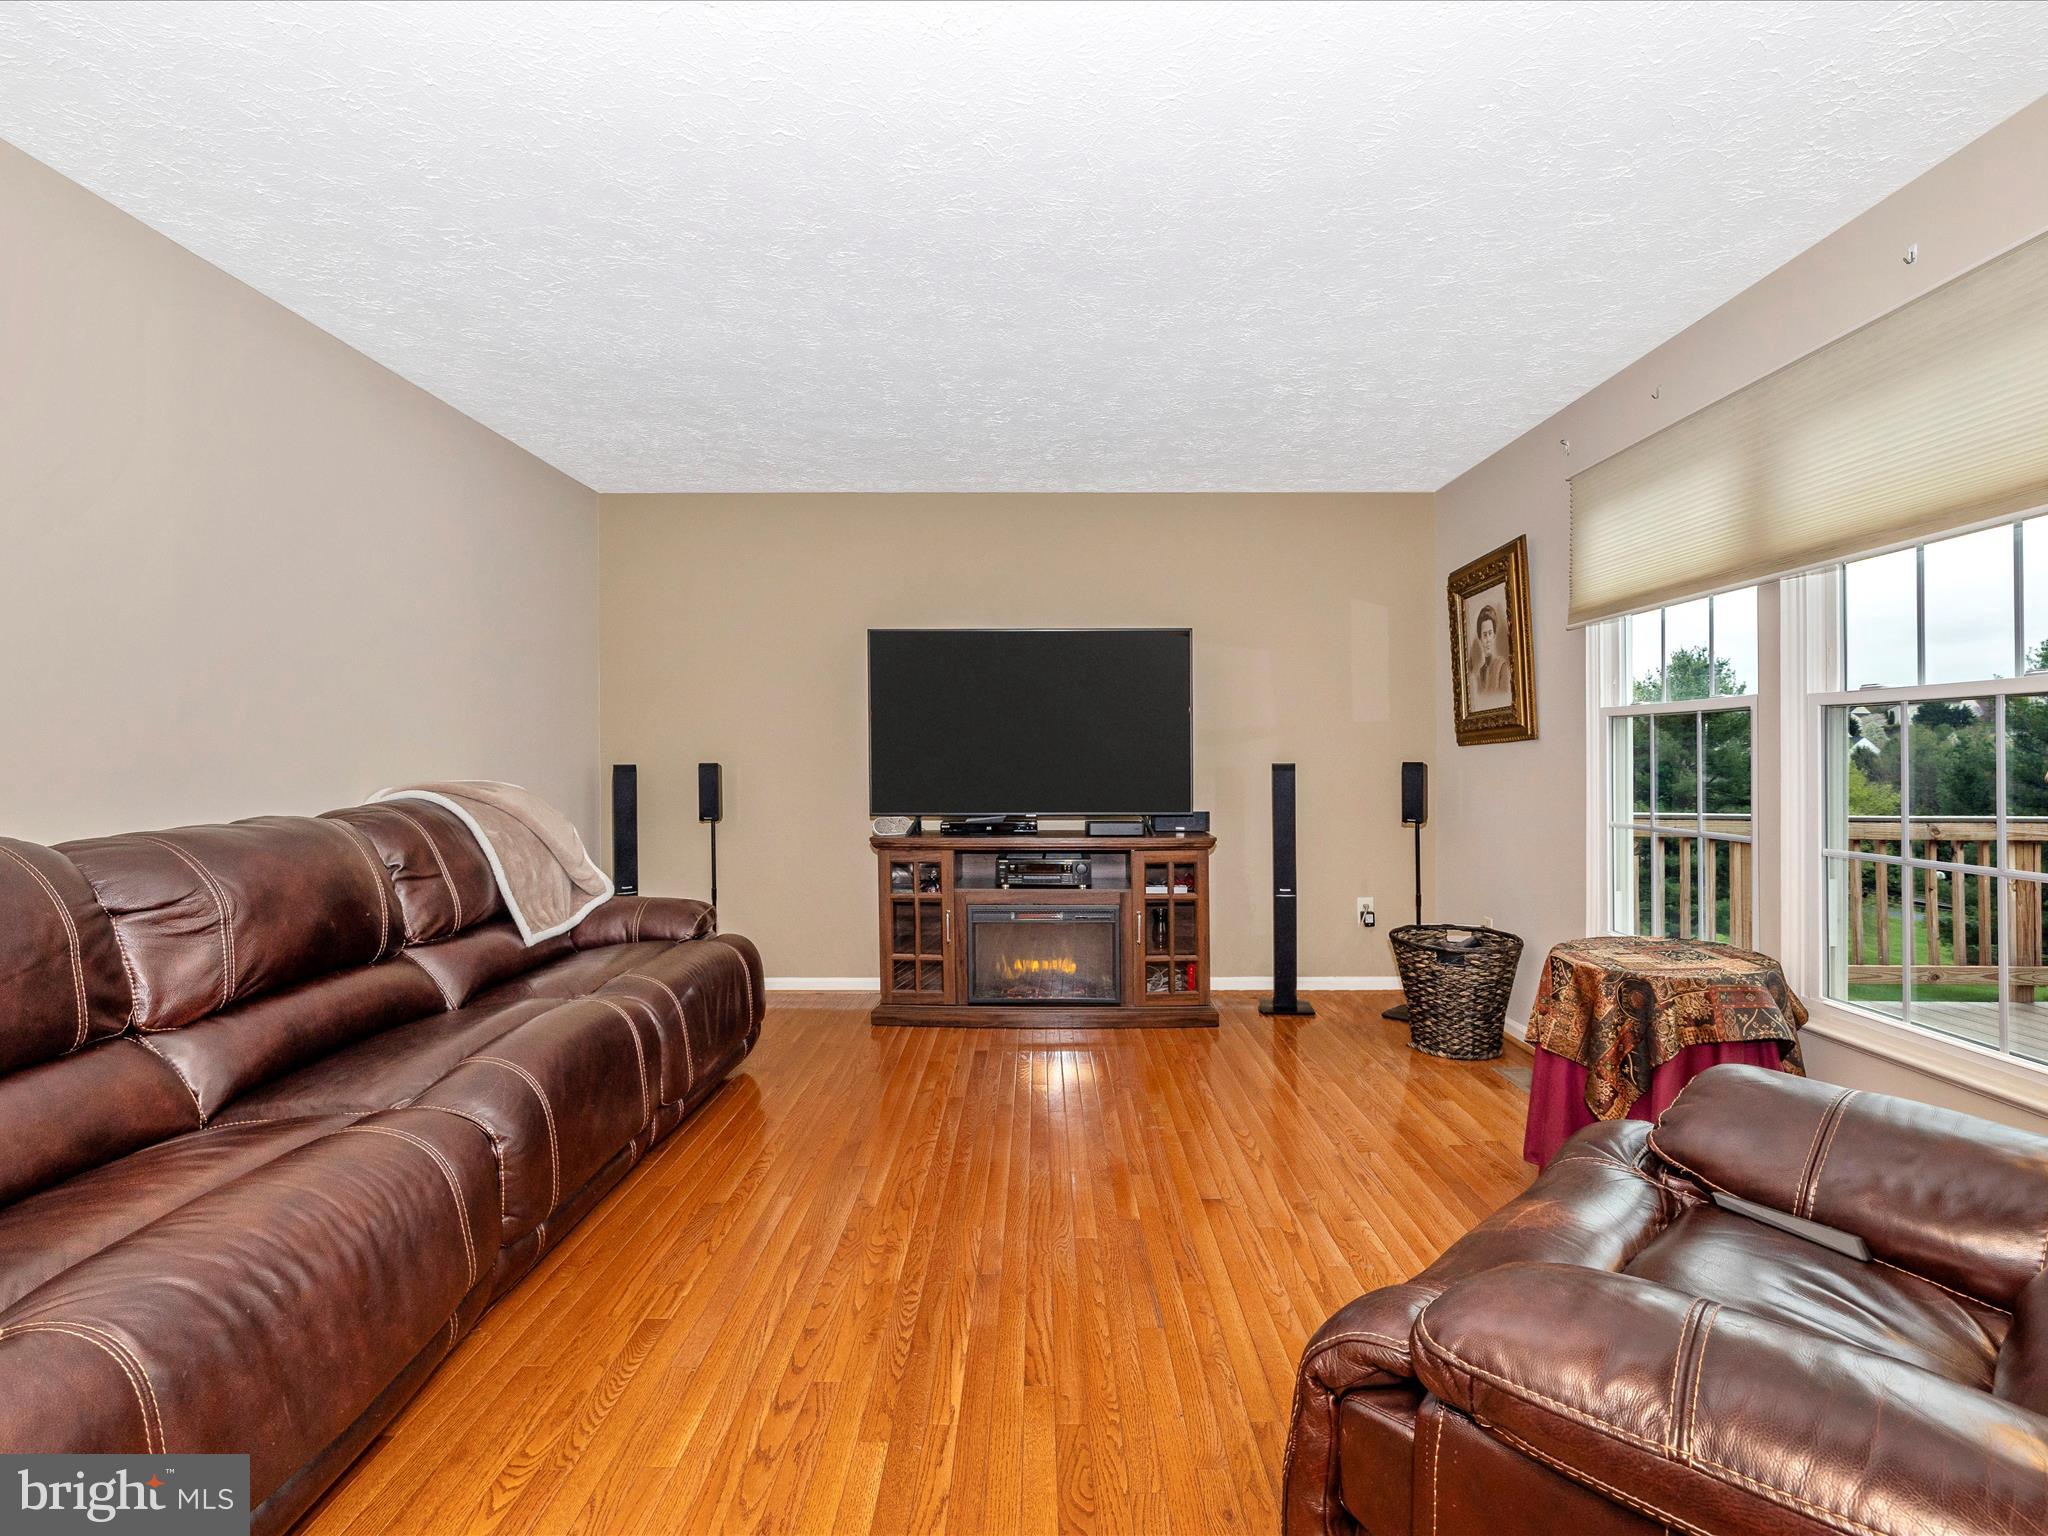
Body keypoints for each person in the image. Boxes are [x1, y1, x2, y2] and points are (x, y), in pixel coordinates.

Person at [1466, 602, 1513, 707]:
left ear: (1494, 635)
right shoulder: (1480, 672)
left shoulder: (1502, 667)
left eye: (1490, 633)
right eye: (1484, 635)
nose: (1487, 639)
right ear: (1480, 638)